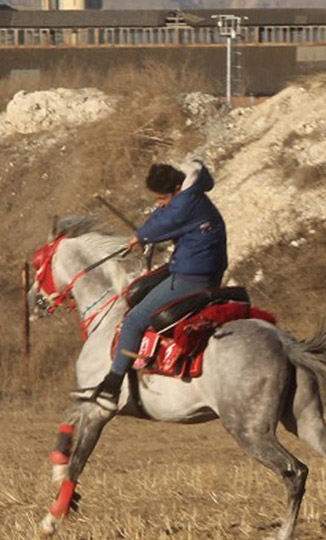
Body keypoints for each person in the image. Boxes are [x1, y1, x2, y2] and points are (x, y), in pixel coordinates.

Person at [80, 159, 228, 409]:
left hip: (192, 276)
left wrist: (141, 236)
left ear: (177, 188)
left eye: (162, 198)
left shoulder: (186, 203)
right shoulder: (190, 196)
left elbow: (166, 221)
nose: (160, 203)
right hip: (197, 267)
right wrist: (142, 235)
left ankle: (113, 386)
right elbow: (164, 215)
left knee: (134, 319)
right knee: (140, 288)